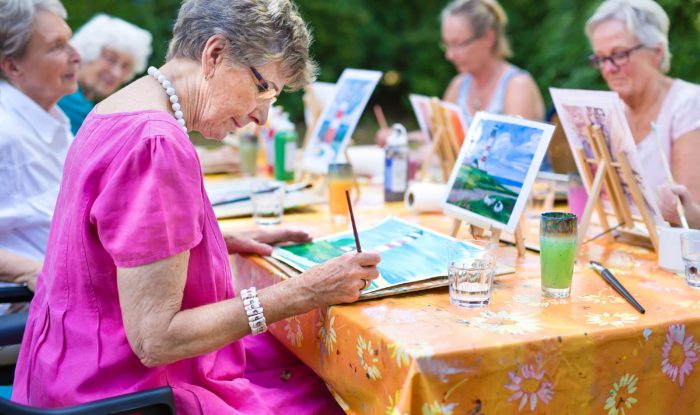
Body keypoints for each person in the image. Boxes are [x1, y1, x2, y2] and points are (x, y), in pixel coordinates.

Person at [12, 0, 381, 413]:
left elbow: (105, 246)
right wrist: (303, 292)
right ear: (215, 54)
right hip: (123, 394)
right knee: (349, 395)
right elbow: (156, 339)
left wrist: (206, 240)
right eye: (264, 89)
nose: (262, 115)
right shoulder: (156, 143)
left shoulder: (115, 110)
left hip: (64, 372)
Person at [586, 0, 700, 225]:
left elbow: (693, 222)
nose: (608, 69)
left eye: (619, 54)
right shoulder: (609, 111)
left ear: (656, 52)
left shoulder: (689, 104)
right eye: (601, 58)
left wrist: (679, 210)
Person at [376, 0, 544, 147]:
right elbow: (437, 137)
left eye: (458, 44)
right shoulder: (460, 84)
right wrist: (398, 138)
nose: (449, 55)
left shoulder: (517, 85)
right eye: (447, 44)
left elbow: (513, 153)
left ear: (488, 38)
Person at [0, 0, 80, 291]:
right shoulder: (5, 130)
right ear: (12, 66)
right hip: (29, 313)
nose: (76, 56)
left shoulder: (49, 117)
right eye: (57, 46)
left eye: (69, 41)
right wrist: (34, 272)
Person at [58, 14, 151, 135]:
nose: (116, 73)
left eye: (125, 66)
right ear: (86, 51)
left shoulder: (91, 110)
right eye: (110, 59)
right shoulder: (57, 95)